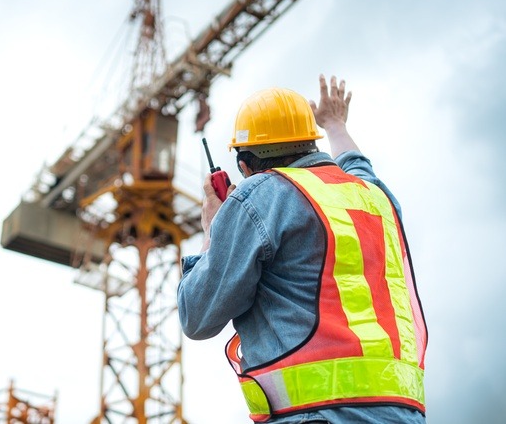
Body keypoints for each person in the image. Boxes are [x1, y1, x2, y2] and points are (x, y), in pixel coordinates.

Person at [177, 75, 427, 423]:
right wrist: (335, 124)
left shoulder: (260, 195)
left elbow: (197, 315)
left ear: (244, 165)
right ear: (311, 144)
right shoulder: (376, 198)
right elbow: (358, 166)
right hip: (403, 412)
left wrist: (212, 231)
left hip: (316, 415)